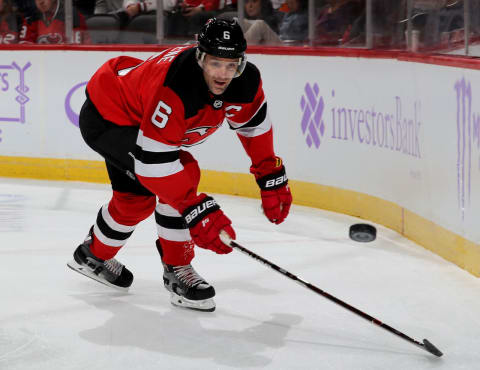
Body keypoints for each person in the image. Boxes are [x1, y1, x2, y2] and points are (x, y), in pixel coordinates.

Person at [67, 18, 292, 312]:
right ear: (200, 59)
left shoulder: (246, 81)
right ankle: (178, 269)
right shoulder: (178, 85)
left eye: (231, 64)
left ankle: (92, 254)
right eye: (215, 64)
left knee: (135, 201)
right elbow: (155, 163)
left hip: (131, 112)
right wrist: (195, 209)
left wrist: (269, 174)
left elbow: (253, 126)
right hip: (109, 118)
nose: (223, 74)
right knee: (183, 172)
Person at [19, 0, 90, 44]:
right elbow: (25, 45)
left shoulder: (71, 15)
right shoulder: (32, 16)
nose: (40, 2)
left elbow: (79, 49)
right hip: (40, 62)